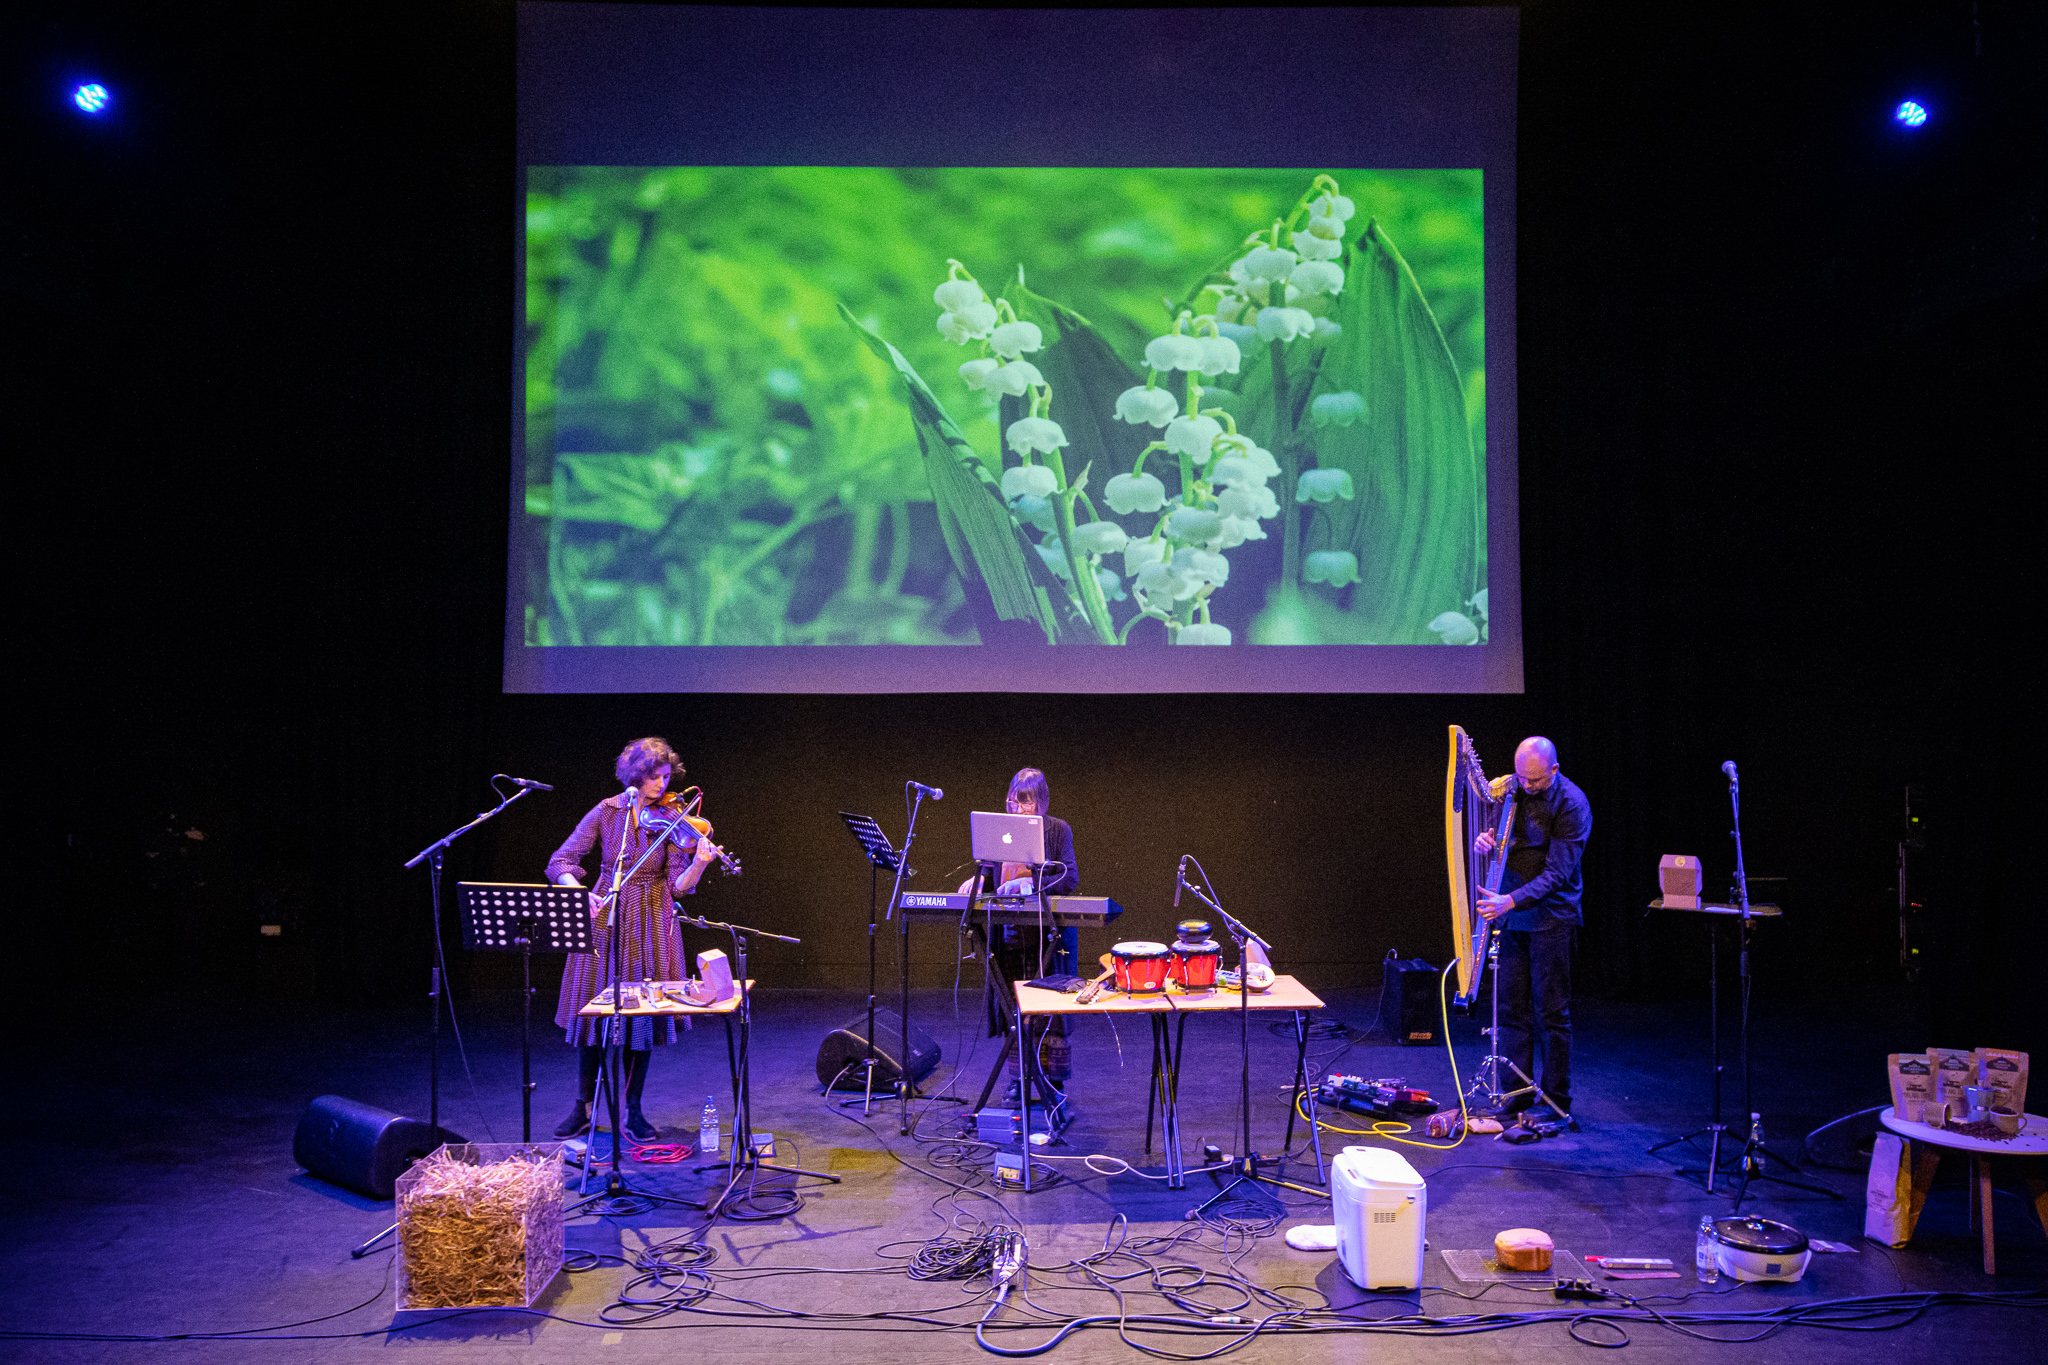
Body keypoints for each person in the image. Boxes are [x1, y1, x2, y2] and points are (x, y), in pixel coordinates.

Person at [547, 737, 725, 1141]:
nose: (661, 786)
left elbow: (679, 887)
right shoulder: (608, 811)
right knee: (592, 1014)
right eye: (652, 778)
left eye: (665, 777)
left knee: (641, 1019)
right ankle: (584, 1106)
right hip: (605, 917)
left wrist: (698, 865)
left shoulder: (676, 820)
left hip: (651, 919)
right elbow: (561, 860)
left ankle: (633, 1110)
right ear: (634, 777)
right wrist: (577, 891)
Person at [1474, 736, 1591, 1122]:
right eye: (1522, 777)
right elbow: (1501, 835)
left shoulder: (1572, 804)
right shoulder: (1512, 790)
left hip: (1551, 917)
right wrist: (1485, 840)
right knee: (1510, 1008)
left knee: (1551, 1014)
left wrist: (1510, 900)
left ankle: (1557, 1101)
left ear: (1553, 771)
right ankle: (1517, 1094)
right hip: (1513, 915)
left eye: (1535, 780)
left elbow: (1557, 874)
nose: (1526, 785)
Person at [957, 768, 1079, 1102]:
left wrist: (1031, 884)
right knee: (1014, 1009)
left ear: (1041, 801)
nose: (1019, 810)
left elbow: (1069, 878)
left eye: (1026, 803)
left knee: (1049, 1012)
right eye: (1014, 803)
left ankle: (1052, 1085)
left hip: (1045, 936)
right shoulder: (999, 830)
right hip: (1009, 935)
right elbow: (988, 872)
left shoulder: (1057, 830)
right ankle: (1019, 1082)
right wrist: (978, 883)